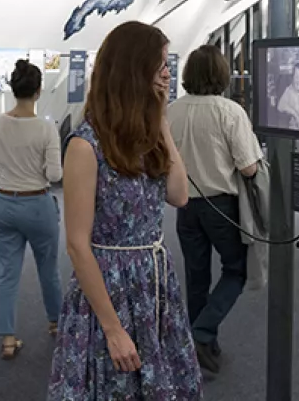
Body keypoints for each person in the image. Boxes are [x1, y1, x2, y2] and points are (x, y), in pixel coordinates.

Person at [47, 21, 202, 400]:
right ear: (134, 69)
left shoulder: (147, 137)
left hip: (153, 283)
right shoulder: (85, 146)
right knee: (113, 383)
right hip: (109, 287)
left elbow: (179, 195)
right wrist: (113, 329)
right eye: (160, 63)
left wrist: (162, 122)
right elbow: (78, 246)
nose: (168, 73)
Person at [167, 45, 263, 374]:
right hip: (222, 205)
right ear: (221, 74)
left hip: (184, 205)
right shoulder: (229, 111)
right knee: (236, 271)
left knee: (196, 276)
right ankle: (202, 333)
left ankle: (200, 346)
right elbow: (249, 167)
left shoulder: (172, 111)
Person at [0, 59, 63, 360]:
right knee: (48, 269)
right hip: (37, 204)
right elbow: (54, 174)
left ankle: (7, 338)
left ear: (13, 89)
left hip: (3, 204)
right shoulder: (45, 128)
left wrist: (9, 162)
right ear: (38, 91)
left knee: (7, 273)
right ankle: (56, 322)